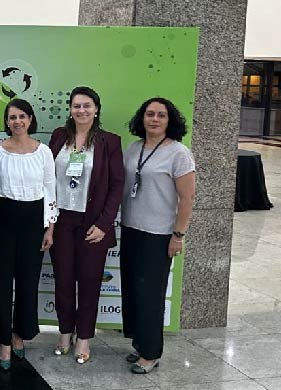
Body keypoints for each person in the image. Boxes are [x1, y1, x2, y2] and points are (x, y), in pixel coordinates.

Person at [0, 99, 57, 370]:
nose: (17, 121)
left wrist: (50, 226)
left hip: (34, 221)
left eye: (22, 116)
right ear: (7, 121)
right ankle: (3, 341)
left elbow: (50, 190)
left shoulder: (44, 151)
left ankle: (19, 335)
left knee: (27, 282)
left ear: (31, 119)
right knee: (0, 283)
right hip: (3, 220)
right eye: (12, 117)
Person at [49, 86, 124, 364]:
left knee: (90, 283)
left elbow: (117, 185)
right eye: (76, 105)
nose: (81, 110)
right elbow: (48, 177)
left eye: (87, 105)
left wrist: (105, 224)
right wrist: (49, 220)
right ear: (70, 109)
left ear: (96, 109)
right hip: (61, 221)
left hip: (93, 224)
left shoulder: (110, 142)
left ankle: (84, 338)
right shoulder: (59, 136)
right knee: (63, 282)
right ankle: (65, 333)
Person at [120, 97, 195, 374]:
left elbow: (187, 198)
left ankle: (151, 353)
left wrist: (178, 234)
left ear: (169, 121)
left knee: (150, 293)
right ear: (142, 119)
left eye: (161, 115)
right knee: (132, 290)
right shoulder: (133, 149)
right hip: (131, 228)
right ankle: (140, 343)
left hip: (159, 233)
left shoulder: (178, 153)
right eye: (150, 114)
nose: (154, 119)